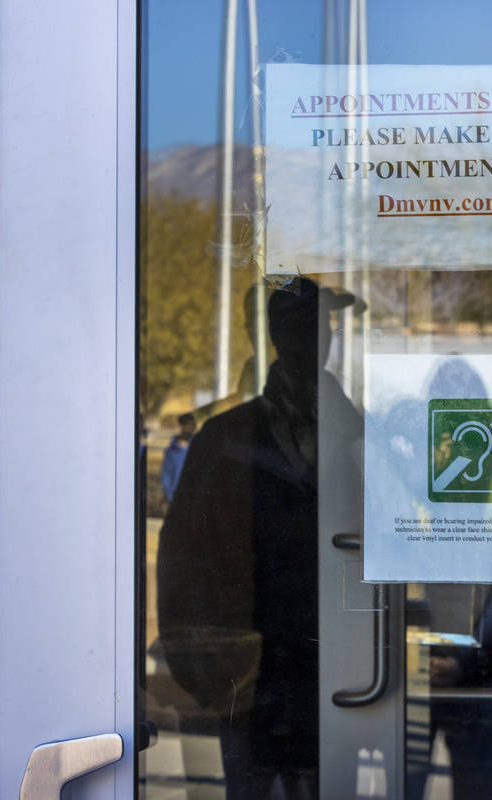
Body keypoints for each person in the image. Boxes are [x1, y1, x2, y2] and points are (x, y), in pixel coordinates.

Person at [157, 277, 362, 800]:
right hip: (249, 679)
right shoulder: (225, 439)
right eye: (310, 326)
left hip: (336, 676)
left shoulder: (360, 432)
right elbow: (182, 561)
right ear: (279, 335)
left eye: (328, 326)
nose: (325, 338)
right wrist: (202, 674)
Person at [160, 412, 196, 503]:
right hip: (175, 499)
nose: (189, 429)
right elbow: (166, 476)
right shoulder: (171, 451)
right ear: (181, 427)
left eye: (192, 426)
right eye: (186, 426)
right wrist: (168, 497)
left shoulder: (199, 448)